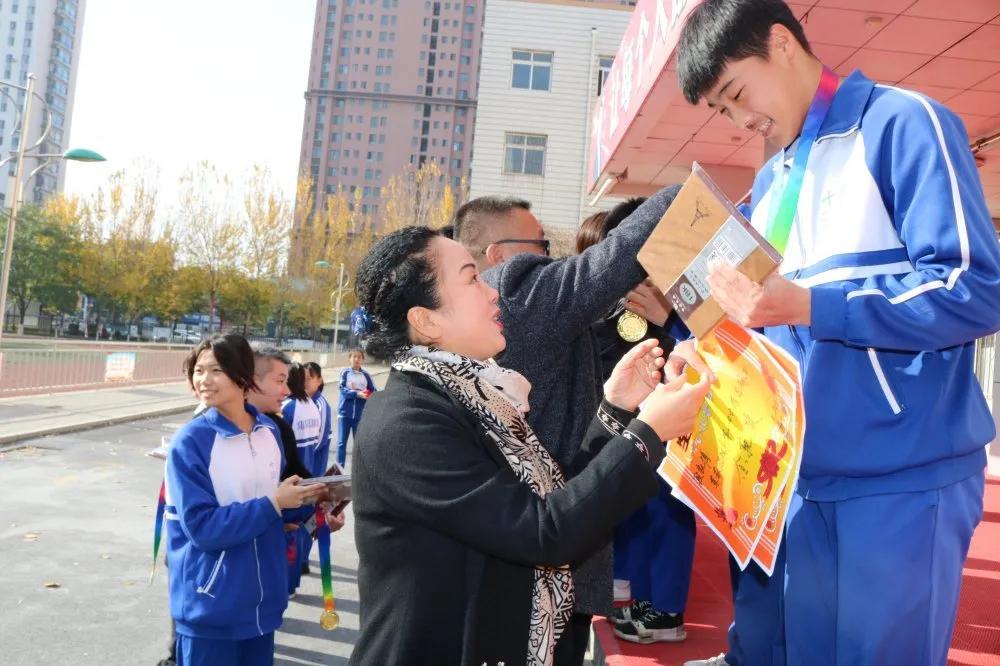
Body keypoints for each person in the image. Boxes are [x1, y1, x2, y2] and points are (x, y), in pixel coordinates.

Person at [675, 1, 1000, 664]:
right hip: (797, 481)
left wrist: (811, 305)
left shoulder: (904, 124)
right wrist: (711, 350)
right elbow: (774, 322)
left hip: (904, 476)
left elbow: (975, 289)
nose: (739, 120)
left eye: (736, 93)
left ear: (781, 43)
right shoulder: (771, 180)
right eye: (721, 110)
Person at [348, 226, 711, 666]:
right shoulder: (406, 423)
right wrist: (648, 433)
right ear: (427, 320)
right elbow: (543, 532)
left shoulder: (478, 394)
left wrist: (616, 409)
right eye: (472, 279)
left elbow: (553, 497)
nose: (492, 293)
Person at [454, 187, 692, 663]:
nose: (550, 258)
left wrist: (616, 402)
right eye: (539, 247)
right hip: (544, 560)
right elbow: (617, 256)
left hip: (513, 553)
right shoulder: (518, 291)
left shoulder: (464, 331)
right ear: (497, 256)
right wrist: (691, 195)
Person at [163, 334, 324, 666]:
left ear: (242, 375)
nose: (204, 380)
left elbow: (272, 509)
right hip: (211, 609)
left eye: (216, 370)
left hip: (262, 607)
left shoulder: (269, 432)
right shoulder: (190, 443)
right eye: (198, 371)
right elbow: (203, 528)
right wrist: (274, 503)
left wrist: (313, 508)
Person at [578, 199, 697, 646]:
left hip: (672, 418)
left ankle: (665, 608)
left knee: (667, 507)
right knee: (631, 505)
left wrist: (672, 319)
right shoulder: (618, 292)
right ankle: (631, 597)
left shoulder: (684, 286)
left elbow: (713, 342)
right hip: (630, 416)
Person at [282, 362, 325, 596]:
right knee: (299, 532)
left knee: (289, 533)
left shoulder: (288, 407)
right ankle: (294, 581)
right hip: (307, 474)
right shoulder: (311, 405)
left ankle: (287, 585)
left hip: (291, 480)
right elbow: (317, 443)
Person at [336, 349, 376, 469]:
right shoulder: (345, 373)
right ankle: (339, 471)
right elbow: (342, 390)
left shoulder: (366, 375)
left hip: (359, 416)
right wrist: (357, 393)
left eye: (359, 357)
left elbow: (373, 391)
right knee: (341, 443)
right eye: (354, 356)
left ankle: (357, 471)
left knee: (358, 444)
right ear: (350, 358)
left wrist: (366, 394)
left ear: (362, 359)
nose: (356, 359)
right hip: (344, 414)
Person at [303, 361, 333, 477]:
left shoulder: (321, 405)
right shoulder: (300, 401)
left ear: (319, 381)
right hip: (304, 460)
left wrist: (305, 456)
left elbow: (321, 439)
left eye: (308, 379)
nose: (304, 382)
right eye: (302, 378)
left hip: (315, 461)